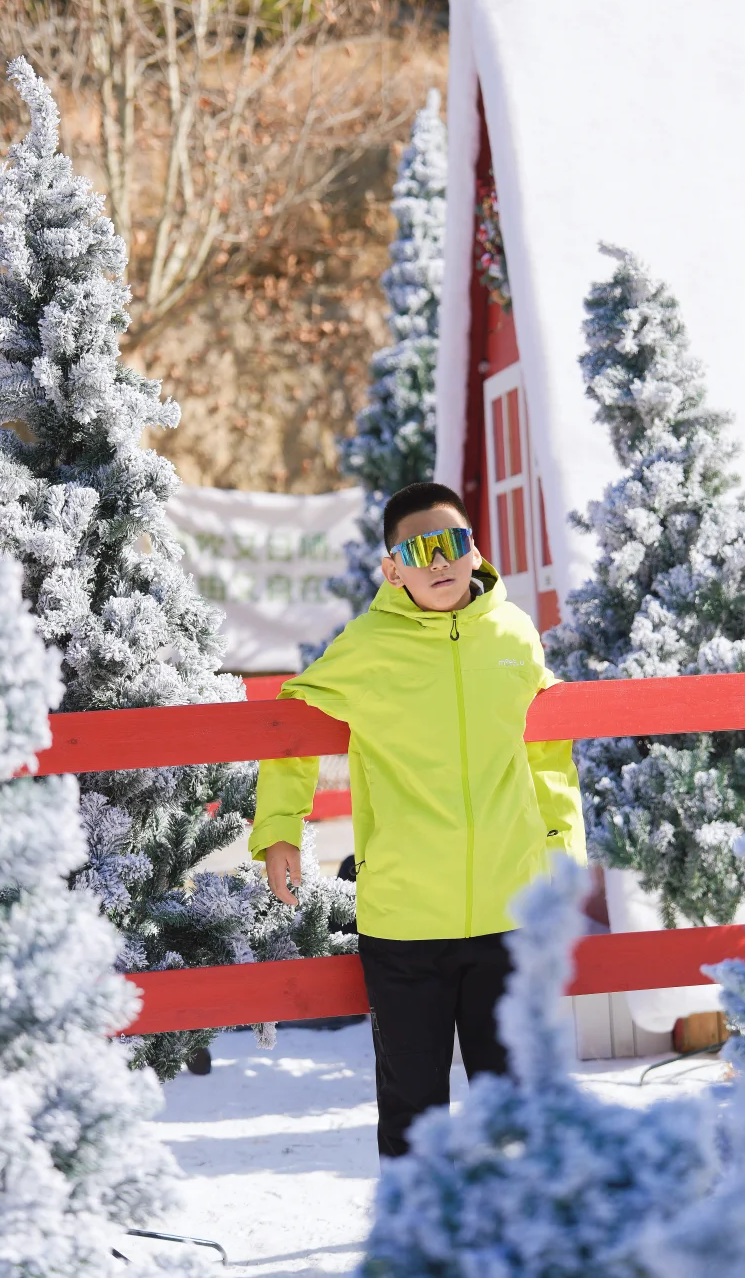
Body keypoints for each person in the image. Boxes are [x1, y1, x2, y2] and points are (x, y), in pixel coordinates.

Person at [250, 481, 585, 1157]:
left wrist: (560, 847)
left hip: (509, 910)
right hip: (405, 924)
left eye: (453, 543)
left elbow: (546, 748)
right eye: (420, 549)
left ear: (474, 550)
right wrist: (281, 829)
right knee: (413, 1110)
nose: (440, 562)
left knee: (513, 1109)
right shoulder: (369, 647)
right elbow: (292, 722)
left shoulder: (513, 634)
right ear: (392, 567)